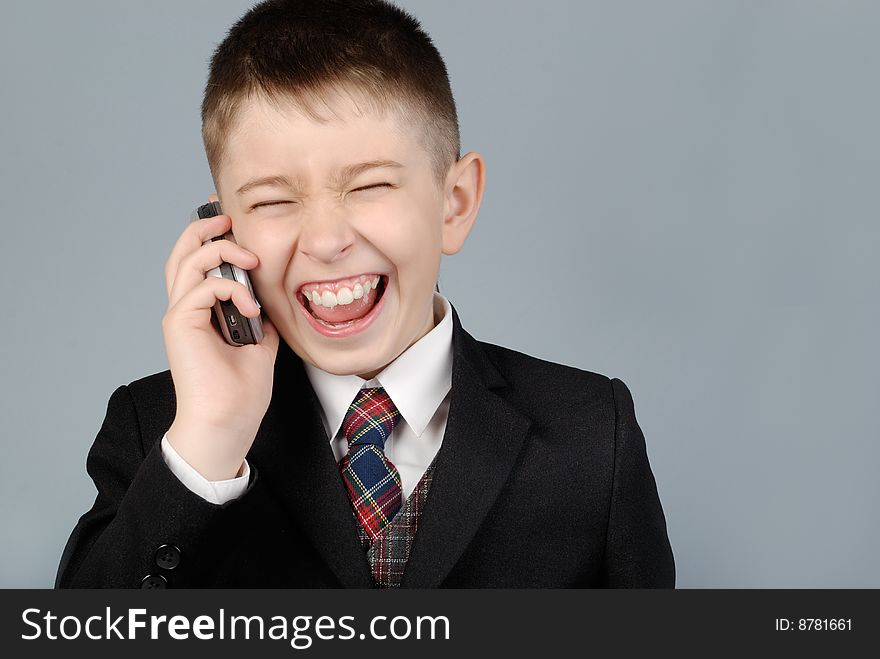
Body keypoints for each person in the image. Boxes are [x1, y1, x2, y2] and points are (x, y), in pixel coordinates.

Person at [56, 0, 674, 588]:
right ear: (222, 232)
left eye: (370, 186)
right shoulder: (160, 433)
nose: (326, 240)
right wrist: (210, 441)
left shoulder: (592, 432)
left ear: (454, 204)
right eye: (272, 201)